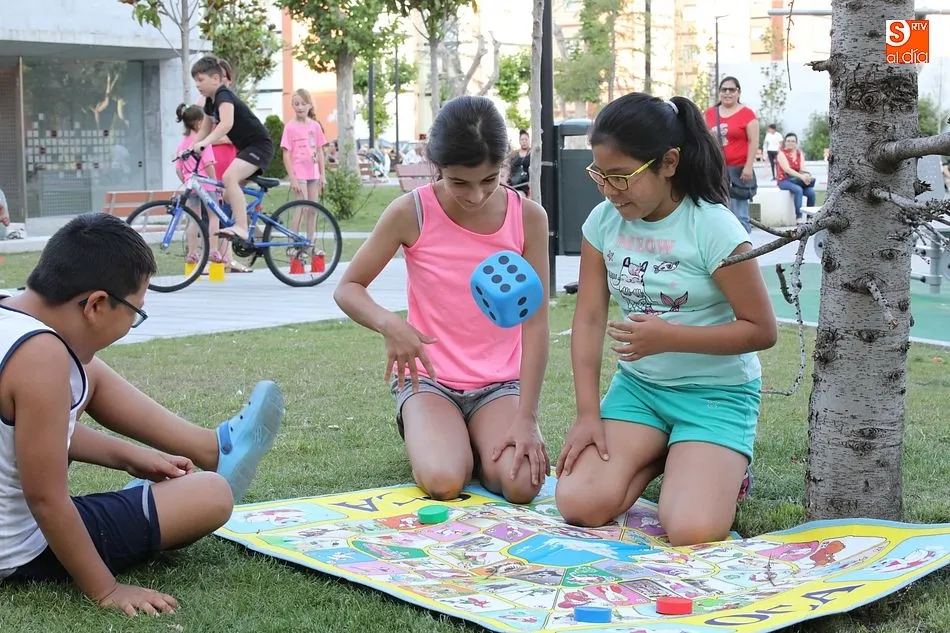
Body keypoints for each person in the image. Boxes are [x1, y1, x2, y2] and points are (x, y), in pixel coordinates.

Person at [0, 213, 284, 615]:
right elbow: (45, 499)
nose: (131, 325)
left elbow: (29, 433)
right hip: (21, 549)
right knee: (211, 494)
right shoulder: (42, 356)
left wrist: (131, 455)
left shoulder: (11, 319)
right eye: (136, 312)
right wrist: (106, 590)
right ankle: (212, 454)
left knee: (86, 370)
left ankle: (211, 448)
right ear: (96, 304)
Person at [554, 92, 777, 546]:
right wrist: (587, 414)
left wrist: (670, 337)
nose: (609, 191)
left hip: (716, 396)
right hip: (640, 392)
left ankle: (704, 460)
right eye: (600, 175)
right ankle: (665, 453)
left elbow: (761, 330)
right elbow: (590, 316)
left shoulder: (712, 227)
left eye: (622, 178)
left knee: (693, 531)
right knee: (578, 504)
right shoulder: (603, 222)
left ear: (669, 163)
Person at [333, 96, 551, 505]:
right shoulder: (410, 211)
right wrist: (390, 324)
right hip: (429, 380)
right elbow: (348, 287)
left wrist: (528, 418)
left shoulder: (529, 217)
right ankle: (444, 436)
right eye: (459, 182)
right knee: (443, 480)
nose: (476, 195)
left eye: (489, 179)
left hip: (499, 384)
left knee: (523, 485)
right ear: (438, 168)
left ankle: (474, 438)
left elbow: (536, 325)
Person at [190, 55, 274, 243]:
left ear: (216, 79)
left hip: (258, 146)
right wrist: (189, 148)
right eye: (195, 80)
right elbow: (204, 127)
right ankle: (251, 225)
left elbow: (226, 124)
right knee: (228, 194)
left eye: (200, 79)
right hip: (246, 148)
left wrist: (206, 143)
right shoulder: (210, 102)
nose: (197, 84)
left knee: (229, 177)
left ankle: (242, 228)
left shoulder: (223, 96)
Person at [704, 77, 759, 233]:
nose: (727, 93)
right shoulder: (709, 114)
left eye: (732, 89)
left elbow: (753, 142)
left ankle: (745, 253)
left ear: (738, 92)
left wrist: (748, 167)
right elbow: (704, 140)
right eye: (724, 90)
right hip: (716, 170)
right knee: (718, 214)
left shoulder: (747, 114)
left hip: (738, 172)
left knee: (740, 216)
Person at [174, 103, 224, 266]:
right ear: (198, 124)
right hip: (207, 186)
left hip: (191, 186)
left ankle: (192, 253)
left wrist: (187, 182)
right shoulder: (202, 142)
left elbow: (178, 170)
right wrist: (216, 184)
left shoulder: (182, 144)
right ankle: (213, 251)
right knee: (213, 217)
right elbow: (209, 164)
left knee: (193, 220)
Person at [281, 88, 328, 243]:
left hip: (313, 173)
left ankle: (310, 243)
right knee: (301, 208)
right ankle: (292, 244)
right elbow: (286, 154)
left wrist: (322, 174)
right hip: (299, 173)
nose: (300, 107)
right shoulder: (290, 127)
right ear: (292, 106)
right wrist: (293, 178)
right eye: (296, 104)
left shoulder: (315, 126)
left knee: (312, 210)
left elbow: (320, 151)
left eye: (303, 104)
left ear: (309, 106)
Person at [775, 133, 816, 224]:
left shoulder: (799, 153)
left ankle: (811, 219)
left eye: (793, 141)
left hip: (797, 180)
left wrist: (807, 175)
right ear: (785, 142)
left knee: (811, 192)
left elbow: (802, 168)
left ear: (796, 143)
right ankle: (799, 218)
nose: (790, 143)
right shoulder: (781, 154)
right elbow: (787, 169)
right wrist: (801, 176)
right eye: (788, 141)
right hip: (784, 180)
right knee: (798, 190)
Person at [507, 129, 531, 197]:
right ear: (519, 141)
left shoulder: (532, 154)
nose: (524, 141)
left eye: (526, 139)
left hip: (525, 186)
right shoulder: (514, 154)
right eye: (522, 139)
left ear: (529, 140)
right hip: (513, 185)